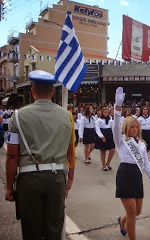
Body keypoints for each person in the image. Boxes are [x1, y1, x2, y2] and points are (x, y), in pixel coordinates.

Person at [5, 70, 75, 240]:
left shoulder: (18, 117)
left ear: (33, 91)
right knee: (54, 229)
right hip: (57, 177)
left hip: (29, 180)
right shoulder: (67, 116)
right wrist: (69, 179)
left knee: (31, 230)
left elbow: (12, 156)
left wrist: (9, 187)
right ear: (53, 91)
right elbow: (70, 153)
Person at [112, 87, 150, 240]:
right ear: (126, 127)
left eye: (135, 126)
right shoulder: (120, 140)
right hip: (125, 175)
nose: (134, 128)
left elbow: (146, 164)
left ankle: (122, 221)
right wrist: (117, 107)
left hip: (137, 177)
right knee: (132, 213)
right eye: (131, 126)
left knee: (137, 211)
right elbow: (115, 124)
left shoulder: (141, 144)